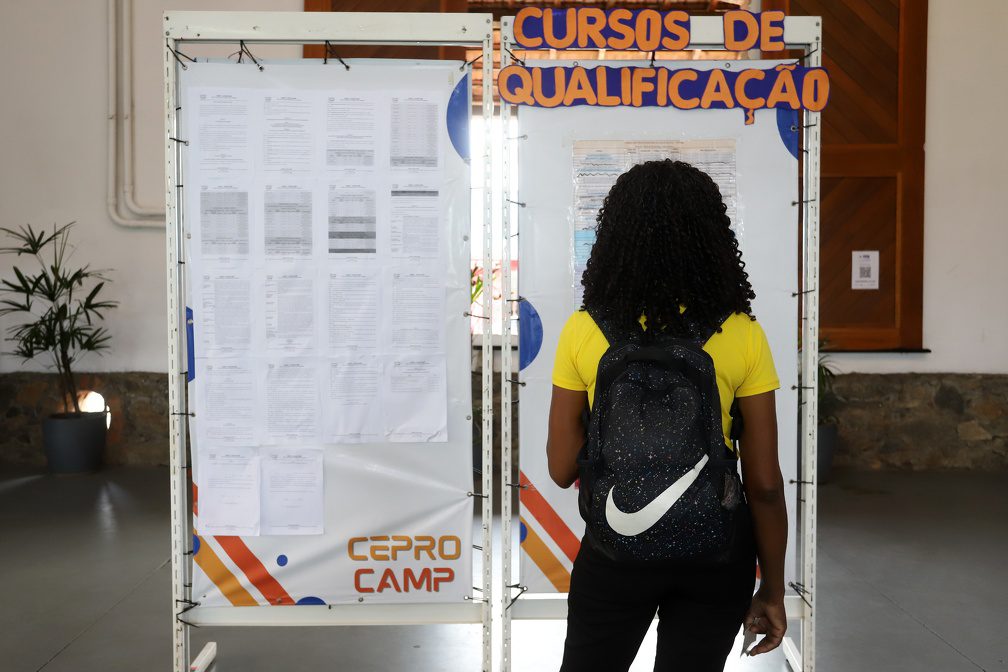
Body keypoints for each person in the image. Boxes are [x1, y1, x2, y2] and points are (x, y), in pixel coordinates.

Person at [547, 159, 788, 671]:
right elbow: (765, 484)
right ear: (712, 237)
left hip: (615, 551)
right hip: (718, 554)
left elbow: (561, 467)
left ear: (615, 236)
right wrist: (771, 587)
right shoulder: (742, 333)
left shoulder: (583, 330)